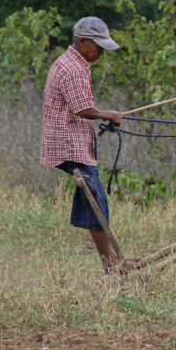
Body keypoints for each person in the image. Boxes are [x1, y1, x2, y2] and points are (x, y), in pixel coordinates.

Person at [40, 16, 134, 273]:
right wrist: (109, 114)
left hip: (73, 140)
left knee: (95, 199)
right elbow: (83, 109)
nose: (102, 51)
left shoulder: (75, 62)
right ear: (82, 42)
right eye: (98, 46)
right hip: (68, 143)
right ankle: (111, 264)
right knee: (97, 201)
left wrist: (105, 115)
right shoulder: (72, 69)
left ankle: (112, 261)